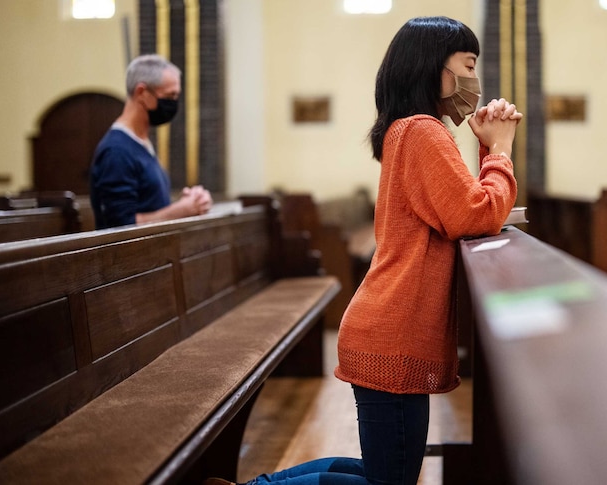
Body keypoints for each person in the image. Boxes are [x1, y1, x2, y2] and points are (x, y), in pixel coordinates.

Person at [206, 16, 521, 485]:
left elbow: (464, 206)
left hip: (389, 327)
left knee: (386, 474)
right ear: (434, 66)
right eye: (468, 65)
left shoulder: (411, 130)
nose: (474, 81)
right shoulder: (422, 132)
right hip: (393, 331)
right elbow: (474, 215)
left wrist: (485, 150)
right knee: (389, 482)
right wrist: (501, 150)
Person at [89, 54, 212, 229]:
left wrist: (189, 203)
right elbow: (119, 227)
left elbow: (150, 206)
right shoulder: (116, 151)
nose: (173, 104)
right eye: (169, 96)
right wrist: (179, 211)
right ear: (142, 93)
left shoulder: (141, 142)